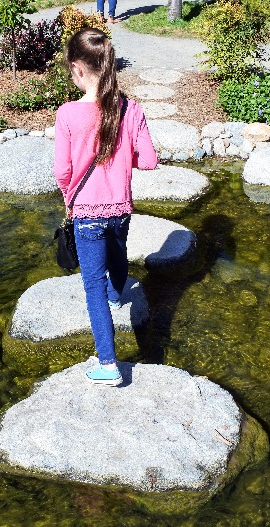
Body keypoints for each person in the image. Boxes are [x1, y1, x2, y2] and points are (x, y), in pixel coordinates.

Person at [53, 28, 158, 386]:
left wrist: (70, 197)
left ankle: (108, 364)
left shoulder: (68, 114)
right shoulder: (131, 109)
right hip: (120, 207)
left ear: (78, 69)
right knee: (119, 249)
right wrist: (123, 157)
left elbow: (63, 171)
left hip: (85, 211)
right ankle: (118, 296)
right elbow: (149, 161)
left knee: (91, 286)